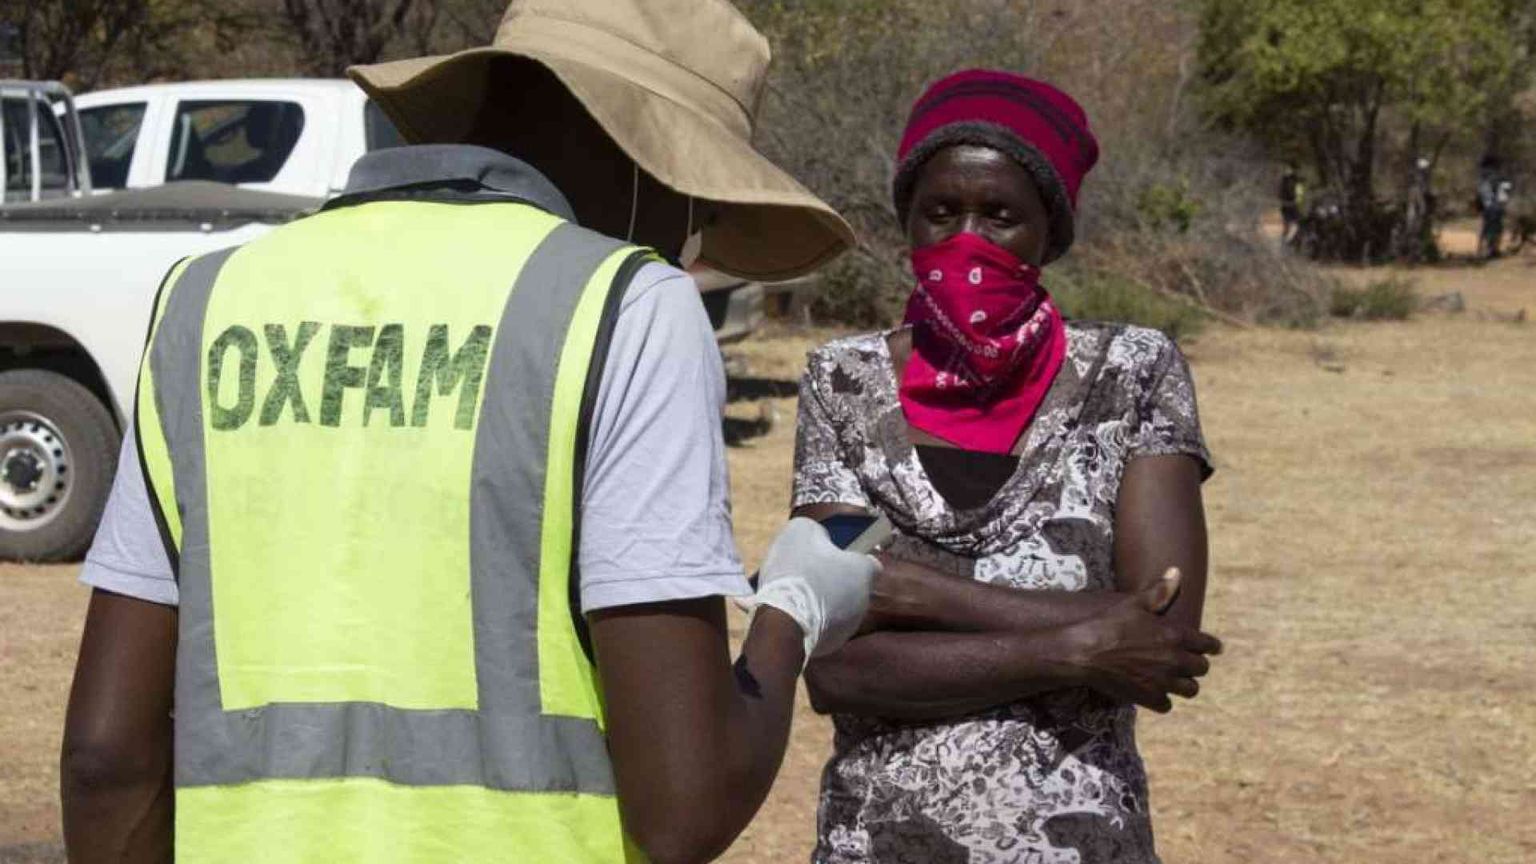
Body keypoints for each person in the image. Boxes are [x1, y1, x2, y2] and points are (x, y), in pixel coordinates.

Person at [58, 2, 878, 862]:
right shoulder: (625, 304)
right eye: (696, 202)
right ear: (644, 163)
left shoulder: (207, 298)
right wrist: (794, 612)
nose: (689, 243)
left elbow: (105, 758)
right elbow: (683, 806)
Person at [792, 70, 1223, 862]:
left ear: (1050, 235)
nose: (968, 241)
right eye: (941, 213)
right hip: (876, 843)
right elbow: (836, 669)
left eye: (1001, 216)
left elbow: (1164, 641)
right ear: (908, 226)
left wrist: (913, 591)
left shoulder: (1130, 374)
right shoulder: (845, 384)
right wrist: (1077, 647)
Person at [1478, 155, 1512, 259]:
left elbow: (1486, 193)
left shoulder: (1487, 177)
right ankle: (1490, 249)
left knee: (1490, 228)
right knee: (1494, 228)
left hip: (1491, 206)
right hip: (1494, 206)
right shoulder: (1496, 177)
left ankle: (1489, 249)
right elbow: (1504, 192)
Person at [1279, 161, 1304, 246]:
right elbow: (1299, 195)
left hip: (1288, 205)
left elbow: (1299, 194)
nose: (1286, 170)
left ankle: (1285, 241)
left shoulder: (1286, 179)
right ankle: (1286, 241)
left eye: (1288, 168)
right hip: (1291, 205)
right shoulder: (1294, 180)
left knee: (1289, 225)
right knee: (1293, 225)